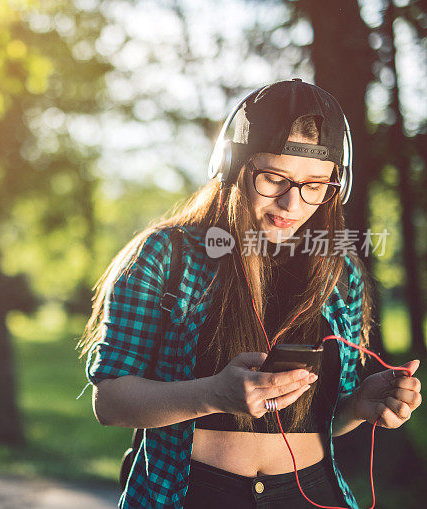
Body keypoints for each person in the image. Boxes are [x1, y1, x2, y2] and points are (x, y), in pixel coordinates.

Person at [76, 79, 422, 509]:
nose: (291, 204)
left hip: (313, 495)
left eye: (315, 185)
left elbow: (324, 422)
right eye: (274, 178)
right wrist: (212, 394)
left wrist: (357, 407)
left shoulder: (340, 271)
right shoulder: (166, 256)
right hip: (192, 495)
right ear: (234, 166)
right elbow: (109, 402)